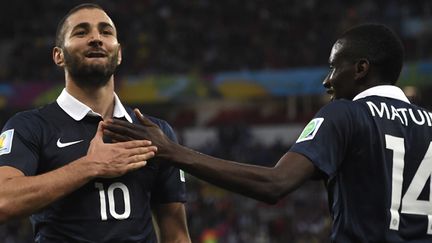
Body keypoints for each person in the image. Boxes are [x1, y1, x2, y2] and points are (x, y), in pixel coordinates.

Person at [103, 23, 432, 242]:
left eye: (334, 67)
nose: (326, 81)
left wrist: (173, 151)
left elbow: (275, 184)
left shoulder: (346, 113)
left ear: (361, 69)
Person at [0, 3, 190, 243]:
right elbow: (3, 202)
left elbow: (176, 235)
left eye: (106, 32)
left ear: (118, 53)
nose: (96, 39)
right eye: (81, 32)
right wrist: (90, 166)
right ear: (59, 56)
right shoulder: (28, 126)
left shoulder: (156, 132)